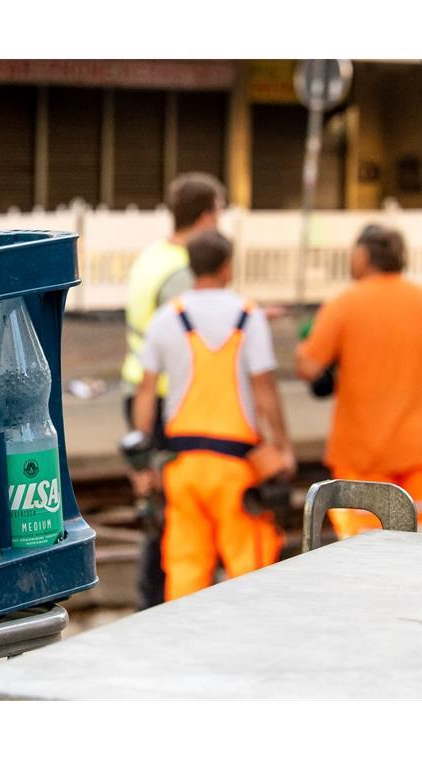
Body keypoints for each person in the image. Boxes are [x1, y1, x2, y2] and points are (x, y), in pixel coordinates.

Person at [134, 230, 294, 601]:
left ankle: (186, 647)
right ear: (227, 267)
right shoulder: (248, 315)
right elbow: (264, 390)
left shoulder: (167, 317)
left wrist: (142, 462)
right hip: (235, 468)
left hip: (182, 467)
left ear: (191, 268)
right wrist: (282, 445)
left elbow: (145, 394)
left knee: (186, 570)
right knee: (249, 570)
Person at [296, 224, 422, 538]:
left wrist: (305, 347)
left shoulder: (343, 304)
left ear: (362, 256)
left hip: (363, 458)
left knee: (367, 560)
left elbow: (309, 367)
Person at [120, 172, 225, 608]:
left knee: (161, 505)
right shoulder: (183, 272)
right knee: (174, 512)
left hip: (140, 390)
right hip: (168, 400)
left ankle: (157, 598)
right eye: (218, 213)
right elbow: (194, 340)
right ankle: (158, 602)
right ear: (205, 217)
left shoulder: (153, 257)